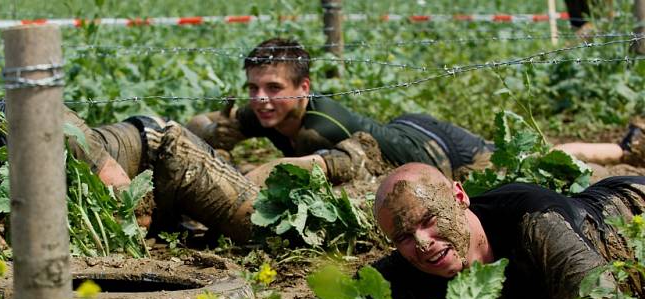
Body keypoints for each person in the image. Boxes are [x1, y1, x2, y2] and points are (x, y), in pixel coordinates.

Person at [0, 41, 260, 243]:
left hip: (162, 161)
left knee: (266, 230)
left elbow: (122, 194)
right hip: (131, 200)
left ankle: (319, 163)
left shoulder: (38, 125)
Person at [187, 37, 643, 184]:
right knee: (542, 154)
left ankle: (625, 156)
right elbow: (208, 129)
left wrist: (252, 173)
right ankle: (625, 146)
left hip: (440, 153)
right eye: (253, 88)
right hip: (406, 131)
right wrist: (202, 131)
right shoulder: (262, 111)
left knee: (540, 164)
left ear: (303, 88)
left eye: (274, 88)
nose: (261, 98)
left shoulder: (320, 126)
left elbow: (308, 166)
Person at [284, 162, 645, 299]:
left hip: (632, 206)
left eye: (428, 221)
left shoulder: (533, 223)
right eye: (404, 238)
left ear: (460, 196)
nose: (422, 243)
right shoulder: (412, 264)